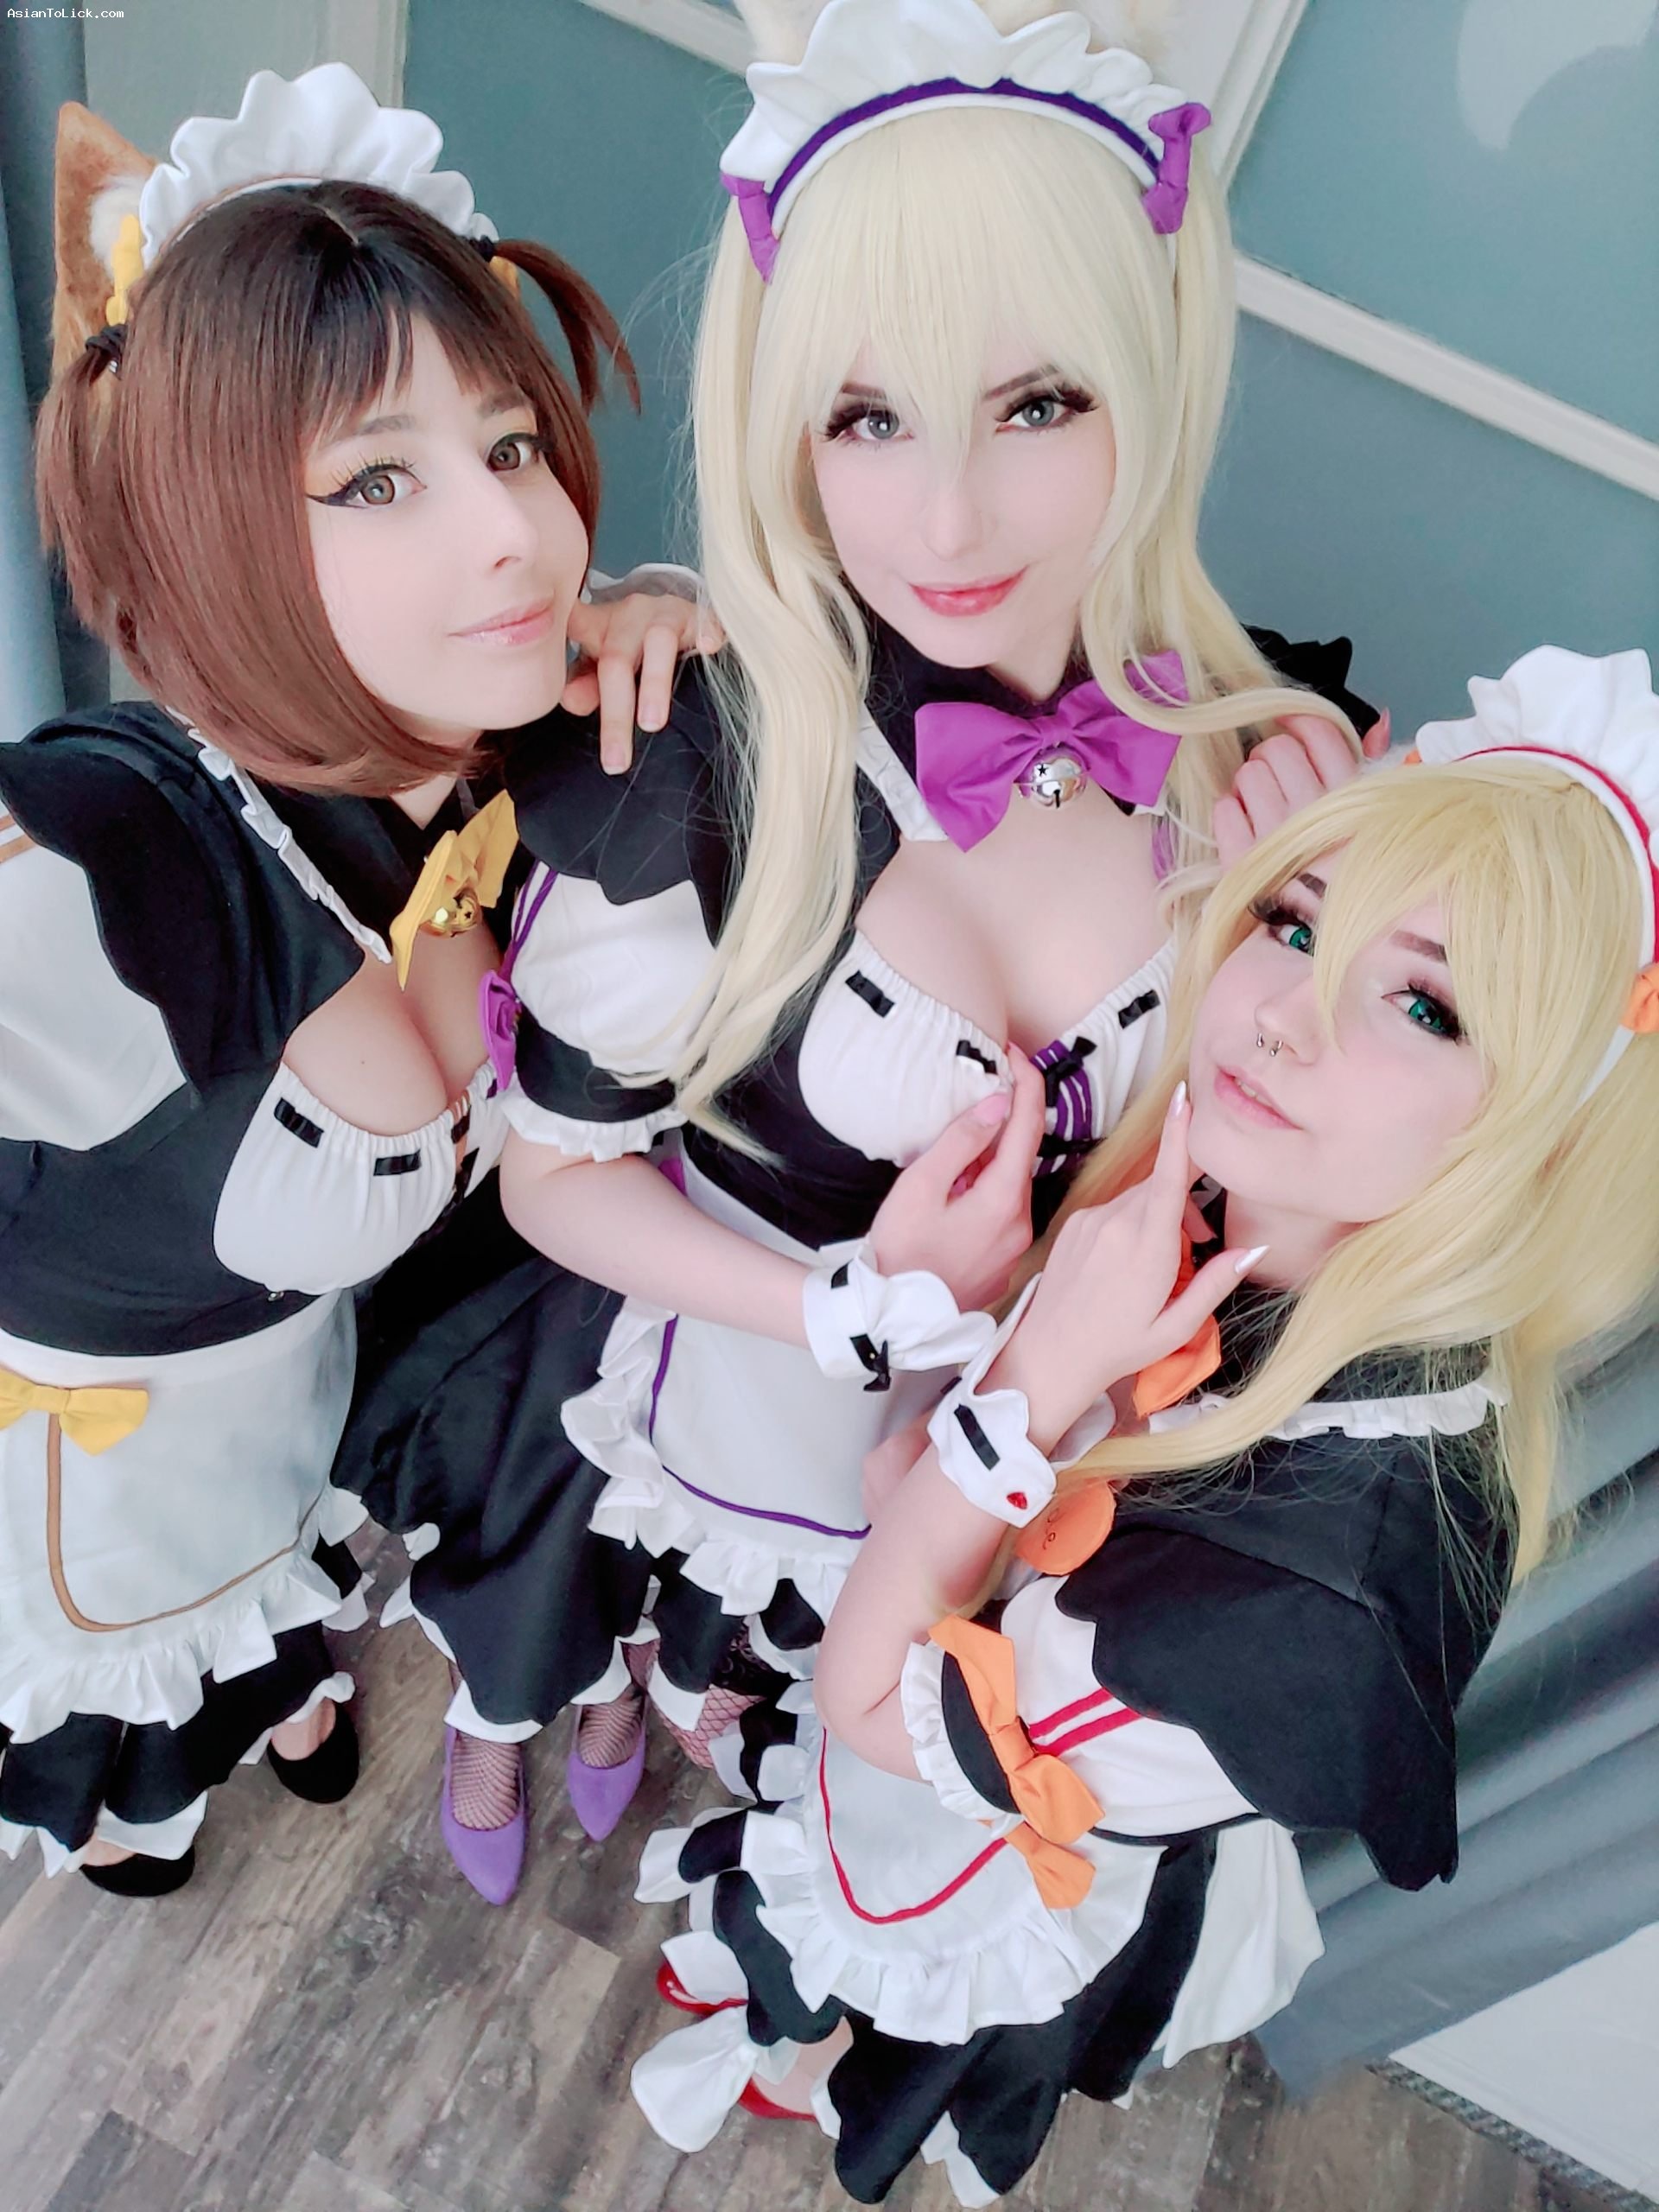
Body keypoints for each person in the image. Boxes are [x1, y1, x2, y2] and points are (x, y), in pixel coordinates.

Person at [342, 0, 1386, 1871]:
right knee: (614, 1559)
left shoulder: (1267, 751)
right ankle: (561, 1697)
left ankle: (685, 1693)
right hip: (736, 1330)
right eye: (867, 416)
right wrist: (836, 1303)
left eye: (1039, 404)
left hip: (1018, 1411)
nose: (949, 516)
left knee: (797, 1647)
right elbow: (556, 1173)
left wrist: (1315, 915)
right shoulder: (692, 763)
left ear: (1154, 372)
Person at [626, 644, 1659, 2202]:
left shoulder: (1306, 1606)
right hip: (941, 1661)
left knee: (881, 1960)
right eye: (1294, 922)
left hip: (984, 1820)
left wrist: (1028, 1386)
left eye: (1425, 1003)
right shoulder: (1248, 1203)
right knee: (808, 1876)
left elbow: (872, 1696)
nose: (1285, 1015)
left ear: (1545, 1125)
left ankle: (800, 2041)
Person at [0, 65, 696, 1894]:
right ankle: (147, 1803)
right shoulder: (104, 856)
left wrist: (660, 620)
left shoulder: (487, 724)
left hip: (299, 1387)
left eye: (511, 445)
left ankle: (289, 1689)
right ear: (208, 537)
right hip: (103, 1453)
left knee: (274, 1607)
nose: (514, 532)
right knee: (134, 1712)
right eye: (378, 477)